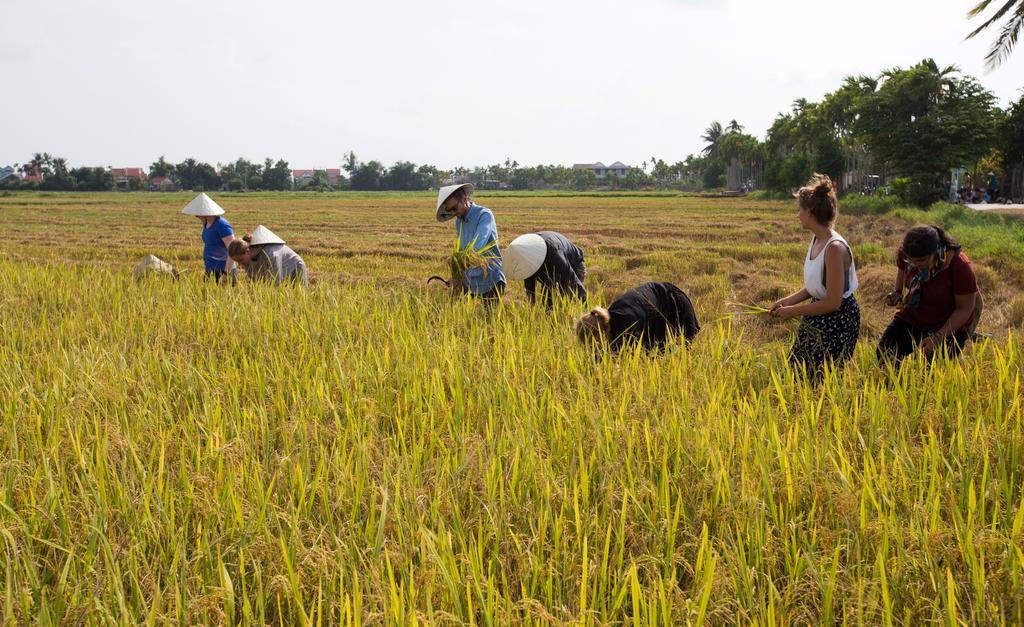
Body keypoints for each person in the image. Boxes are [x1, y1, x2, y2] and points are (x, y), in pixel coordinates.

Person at [770, 174, 860, 377]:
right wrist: (787, 301)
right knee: (798, 372)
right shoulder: (817, 240)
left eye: (799, 210)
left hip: (837, 321)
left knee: (821, 377)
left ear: (810, 212)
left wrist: (793, 311)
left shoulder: (834, 248)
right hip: (817, 314)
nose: (797, 215)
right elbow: (817, 286)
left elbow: (833, 302)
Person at [877, 225, 979, 365]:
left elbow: (965, 308)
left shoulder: (959, 265)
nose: (914, 264)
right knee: (885, 354)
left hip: (947, 325)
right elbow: (902, 268)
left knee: (929, 373)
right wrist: (898, 291)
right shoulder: (906, 253)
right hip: (914, 316)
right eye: (910, 260)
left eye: (921, 261)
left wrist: (938, 337)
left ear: (935, 251)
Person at [576, 282, 699, 351]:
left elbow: (640, 359)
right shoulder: (611, 319)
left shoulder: (627, 327)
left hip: (674, 304)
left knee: (682, 350)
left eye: (594, 345)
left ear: (600, 335)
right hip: (656, 313)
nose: (594, 349)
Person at [435, 183, 505, 301]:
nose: (453, 213)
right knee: (469, 318)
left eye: (454, 208)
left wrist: (458, 263)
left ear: (464, 199)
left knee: (489, 318)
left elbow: (477, 246)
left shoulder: (484, 215)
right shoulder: (458, 222)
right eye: (449, 211)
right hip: (470, 281)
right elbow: (461, 250)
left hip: (490, 281)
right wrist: (456, 275)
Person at [503, 231, 586, 308]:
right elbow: (529, 283)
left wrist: (587, 306)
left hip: (574, 263)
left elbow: (574, 281)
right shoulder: (528, 256)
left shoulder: (555, 255)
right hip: (547, 262)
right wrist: (531, 304)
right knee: (546, 300)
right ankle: (549, 315)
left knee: (567, 298)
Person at [181, 193, 235, 284]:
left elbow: (233, 250)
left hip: (223, 271)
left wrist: (226, 273)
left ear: (205, 214)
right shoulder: (205, 224)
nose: (197, 217)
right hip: (210, 270)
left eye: (198, 215)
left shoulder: (222, 225)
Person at [227, 225, 308, 286]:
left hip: (295, 269)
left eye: (240, 260)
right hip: (279, 274)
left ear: (247, 252)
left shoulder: (271, 254)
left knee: (297, 297)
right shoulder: (247, 261)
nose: (239, 264)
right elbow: (255, 283)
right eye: (237, 261)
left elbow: (276, 284)